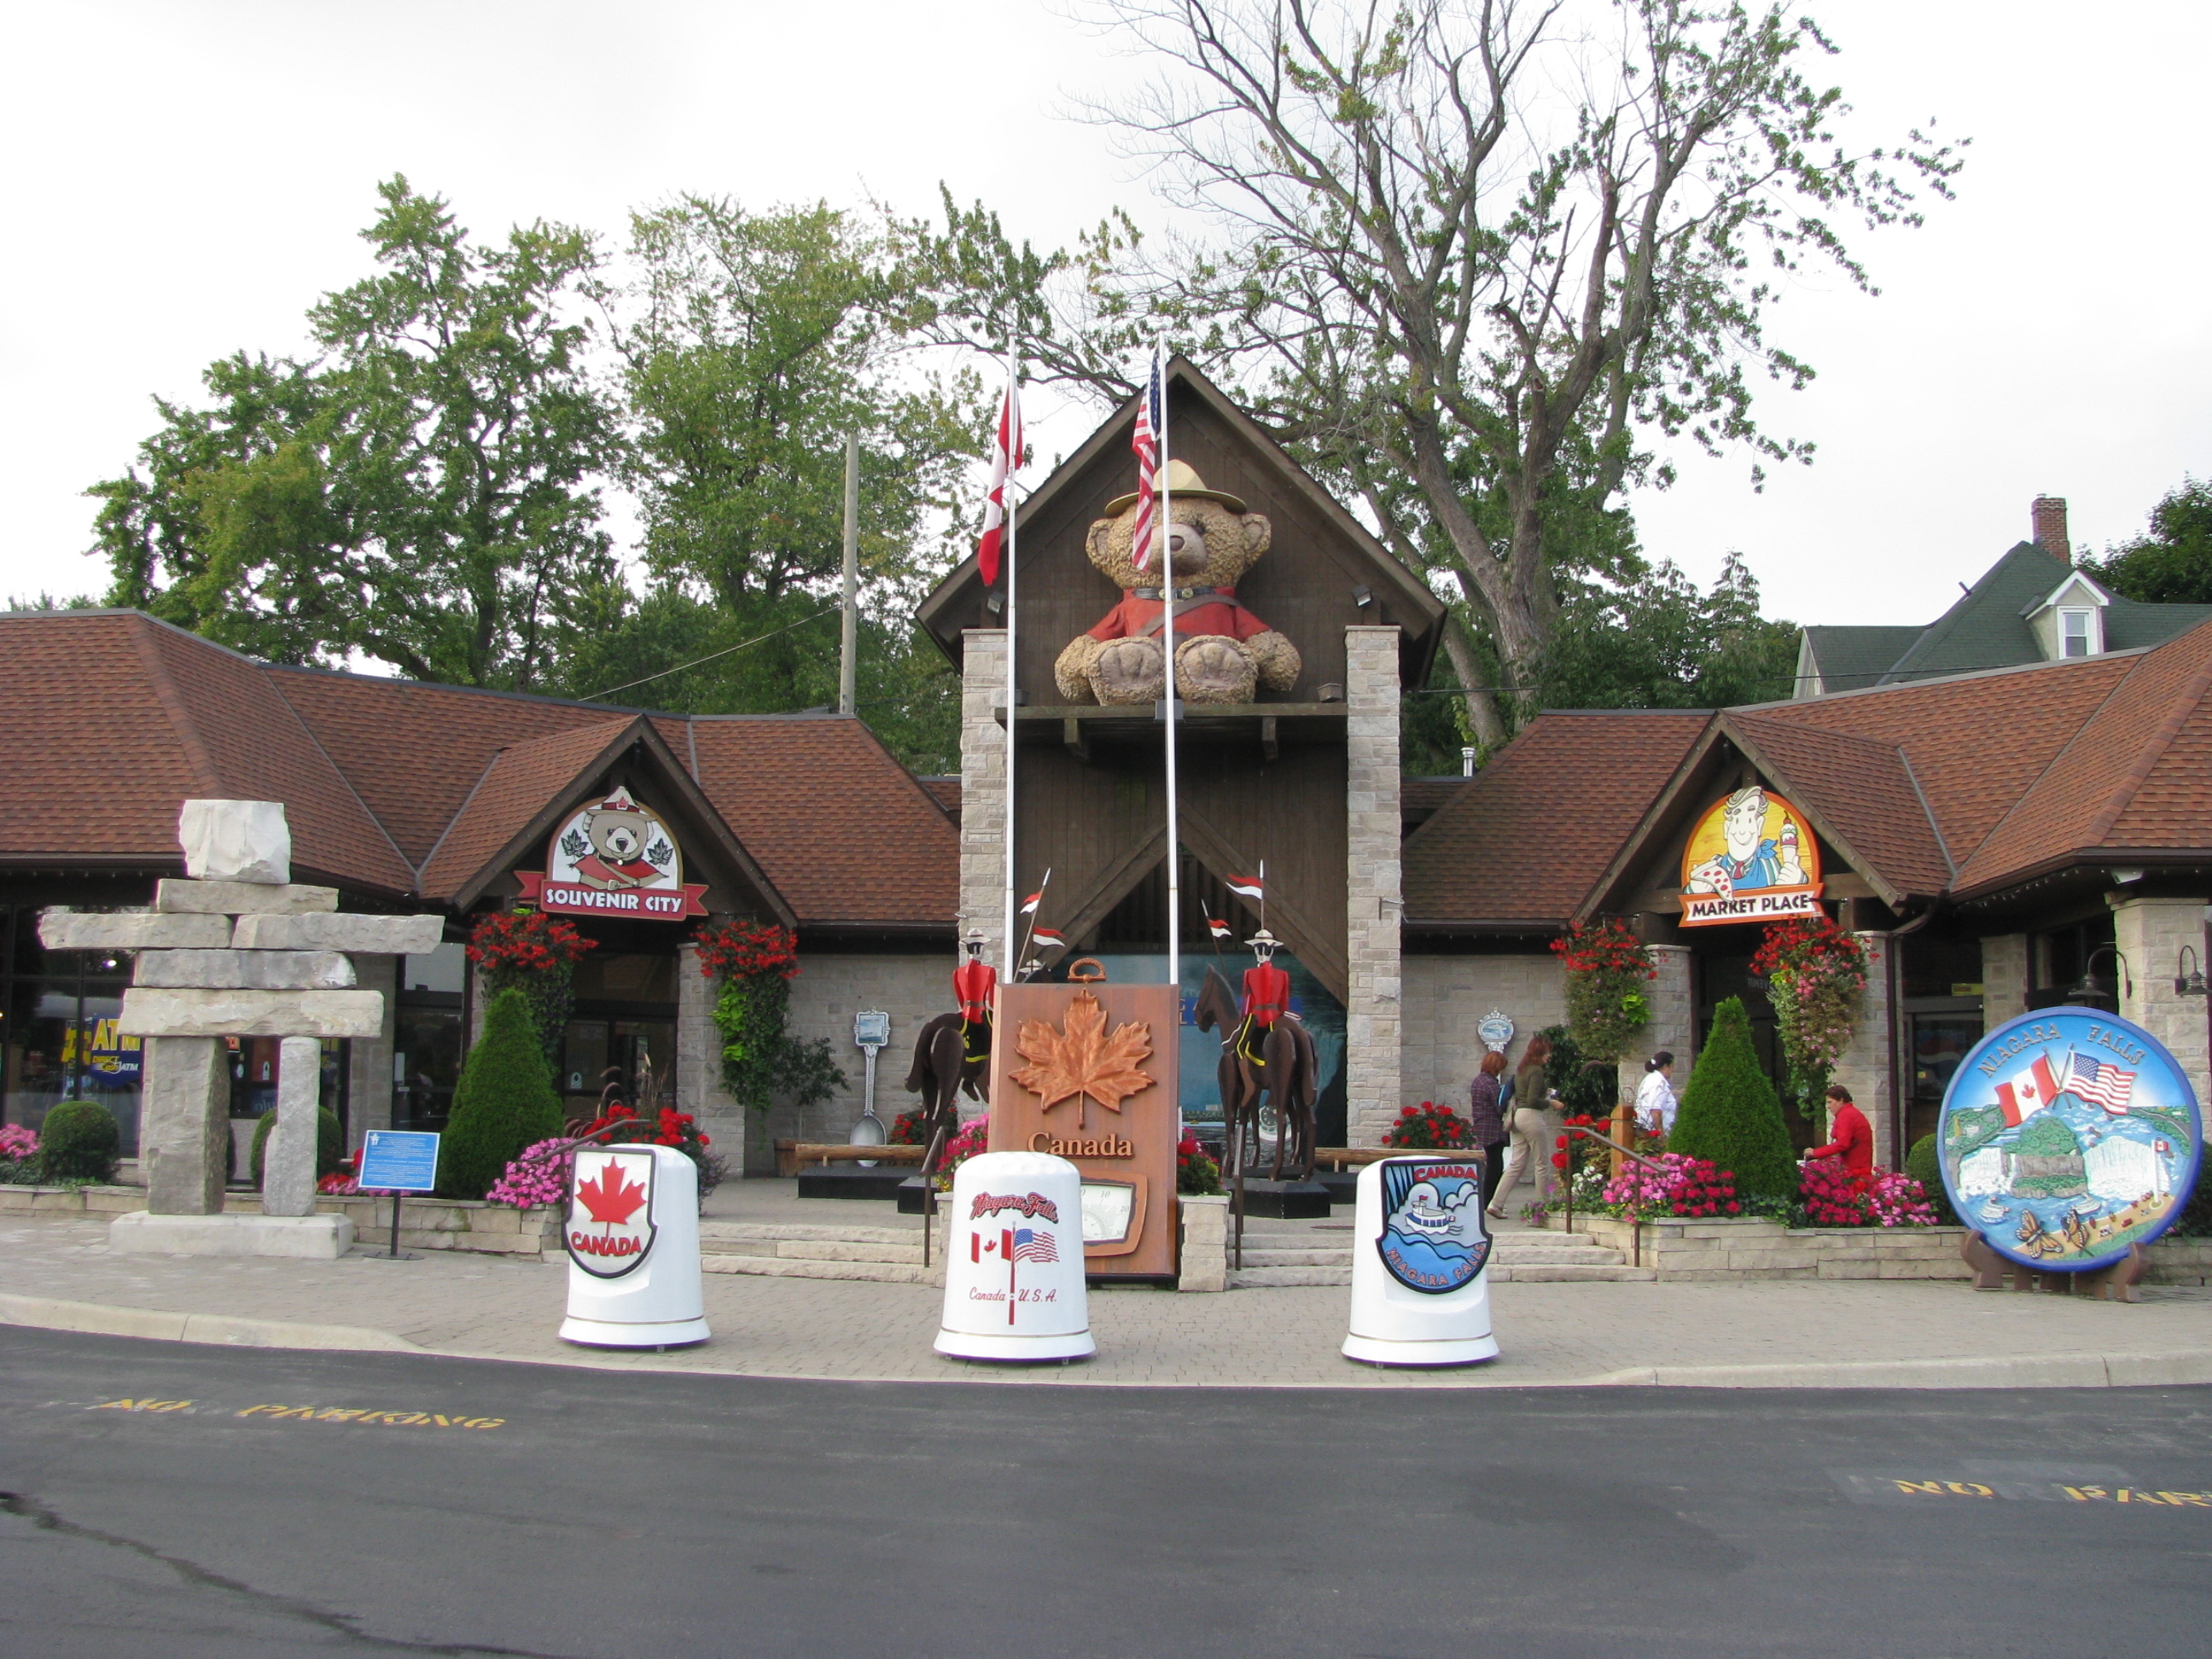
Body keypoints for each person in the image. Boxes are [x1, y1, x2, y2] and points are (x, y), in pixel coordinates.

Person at [1491, 1033, 1558, 1219]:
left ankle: (1496, 1203)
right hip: (1531, 1116)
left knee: (1517, 1163)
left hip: (1517, 1116)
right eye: (1547, 1052)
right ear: (1540, 1052)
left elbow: (1524, 1093)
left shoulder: (1522, 1069)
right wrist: (1551, 1102)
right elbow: (1532, 1100)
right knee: (1541, 1163)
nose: (1549, 1056)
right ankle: (1542, 1209)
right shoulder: (1536, 1070)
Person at [1466, 1051, 1511, 1214]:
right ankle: (1488, 1200)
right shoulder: (1491, 1083)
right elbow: (1499, 1106)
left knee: (1492, 1163)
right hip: (1492, 1127)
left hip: (1481, 1125)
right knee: (1496, 1166)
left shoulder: (1478, 1080)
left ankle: (1487, 1200)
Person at [1805, 1083, 1873, 1177]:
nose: (1828, 1106)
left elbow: (1842, 1144)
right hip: (1858, 1168)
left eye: (1830, 1102)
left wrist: (1815, 1153)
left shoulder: (1846, 1115)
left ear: (1841, 1100)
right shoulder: (1850, 1113)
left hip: (1855, 1171)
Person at [952, 929, 997, 1065]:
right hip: (980, 1013)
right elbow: (993, 1001)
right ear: (978, 948)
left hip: (965, 1013)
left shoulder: (957, 972)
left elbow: (961, 1000)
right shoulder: (989, 971)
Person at [1635, 1051, 1678, 1137]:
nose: (1673, 1070)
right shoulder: (1658, 1083)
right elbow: (1655, 1110)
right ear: (1666, 1067)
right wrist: (1660, 1134)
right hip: (1653, 1134)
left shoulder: (1651, 1078)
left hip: (1646, 1129)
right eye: (1672, 1066)